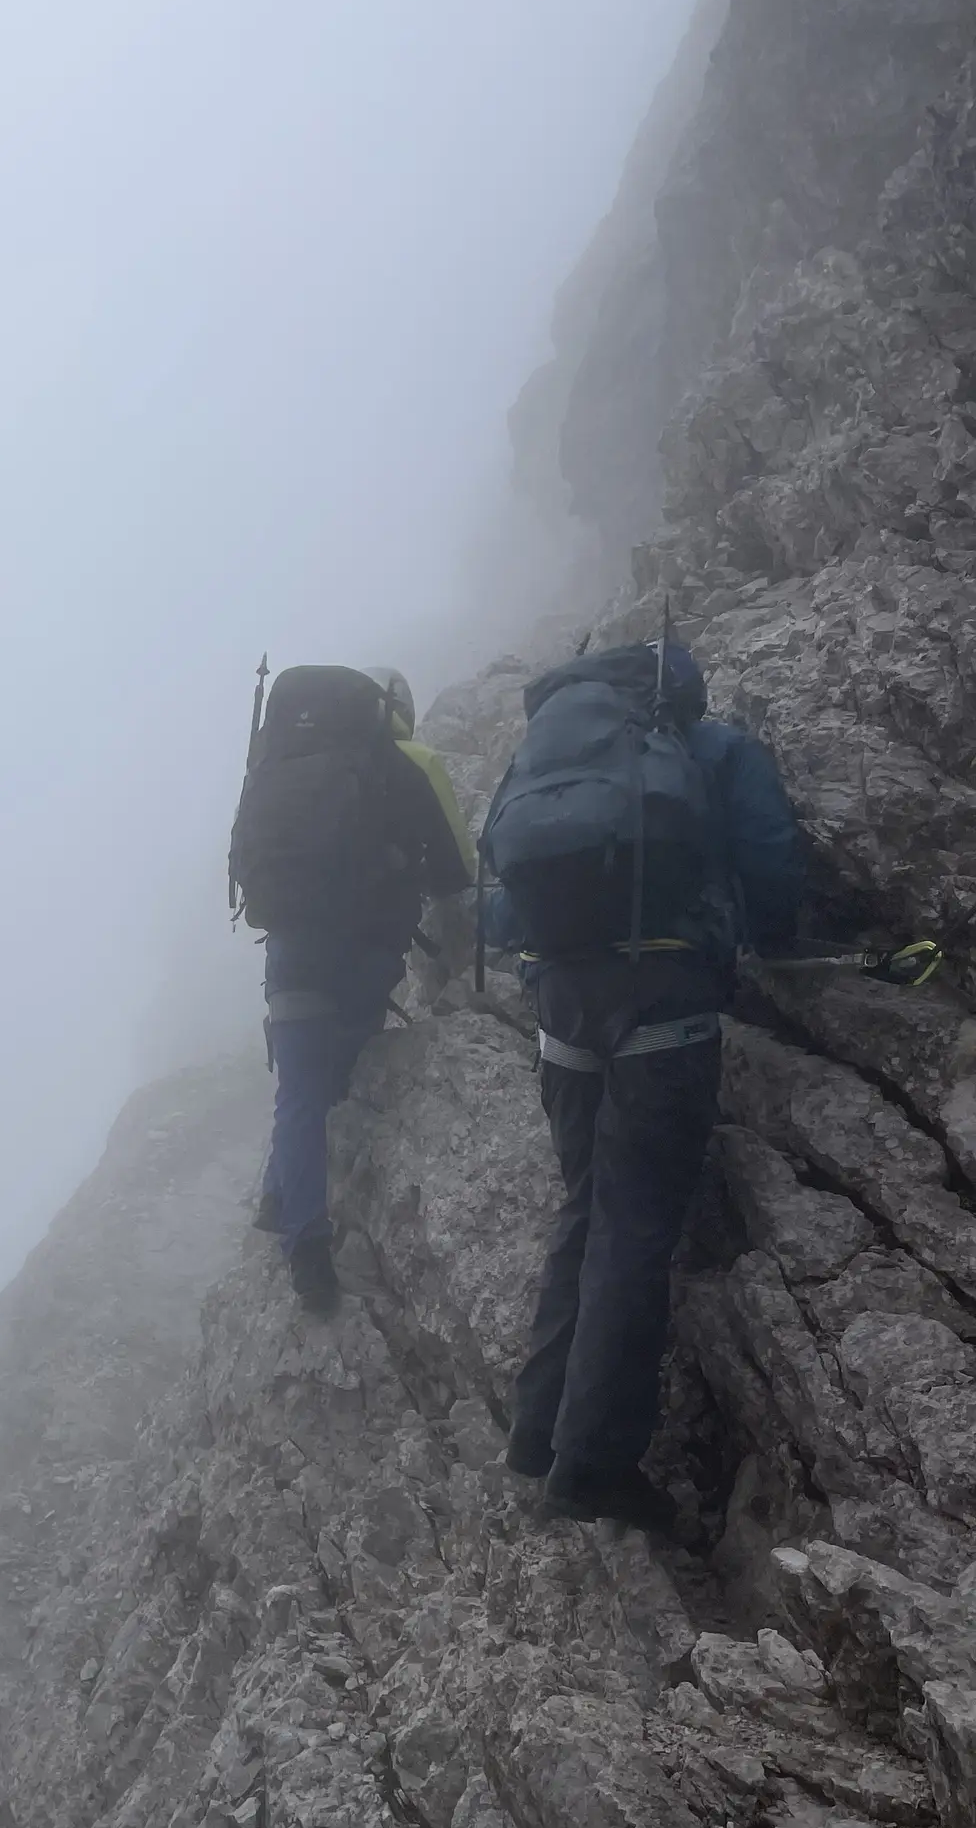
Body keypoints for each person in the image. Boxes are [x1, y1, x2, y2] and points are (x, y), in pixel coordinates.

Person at [482, 637, 802, 1534]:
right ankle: (591, 1468)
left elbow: (503, 906)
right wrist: (771, 941)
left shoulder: (543, 767)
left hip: (559, 1010)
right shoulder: (711, 749)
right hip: (660, 1007)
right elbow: (770, 853)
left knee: (583, 1210)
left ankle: (536, 1433)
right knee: (633, 1233)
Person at [236, 664, 475, 1315]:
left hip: (287, 947)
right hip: (361, 952)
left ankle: (291, 1215)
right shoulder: (408, 759)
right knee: (339, 1071)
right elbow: (456, 869)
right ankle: (305, 1234)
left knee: (301, 1091)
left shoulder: (281, 760)